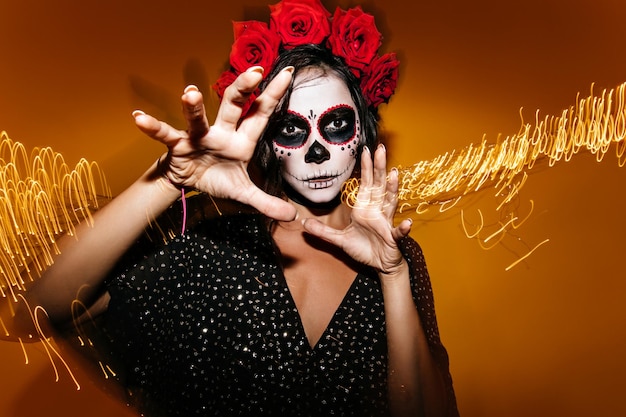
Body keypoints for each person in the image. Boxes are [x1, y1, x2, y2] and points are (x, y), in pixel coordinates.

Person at [13, 1, 458, 416]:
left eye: (336, 125)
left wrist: (392, 274)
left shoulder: (397, 257)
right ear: (266, 140)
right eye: (290, 129)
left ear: (363, 131)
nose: (316, 153)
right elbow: (32, 312)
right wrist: (169, 180)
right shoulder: (208, 247)